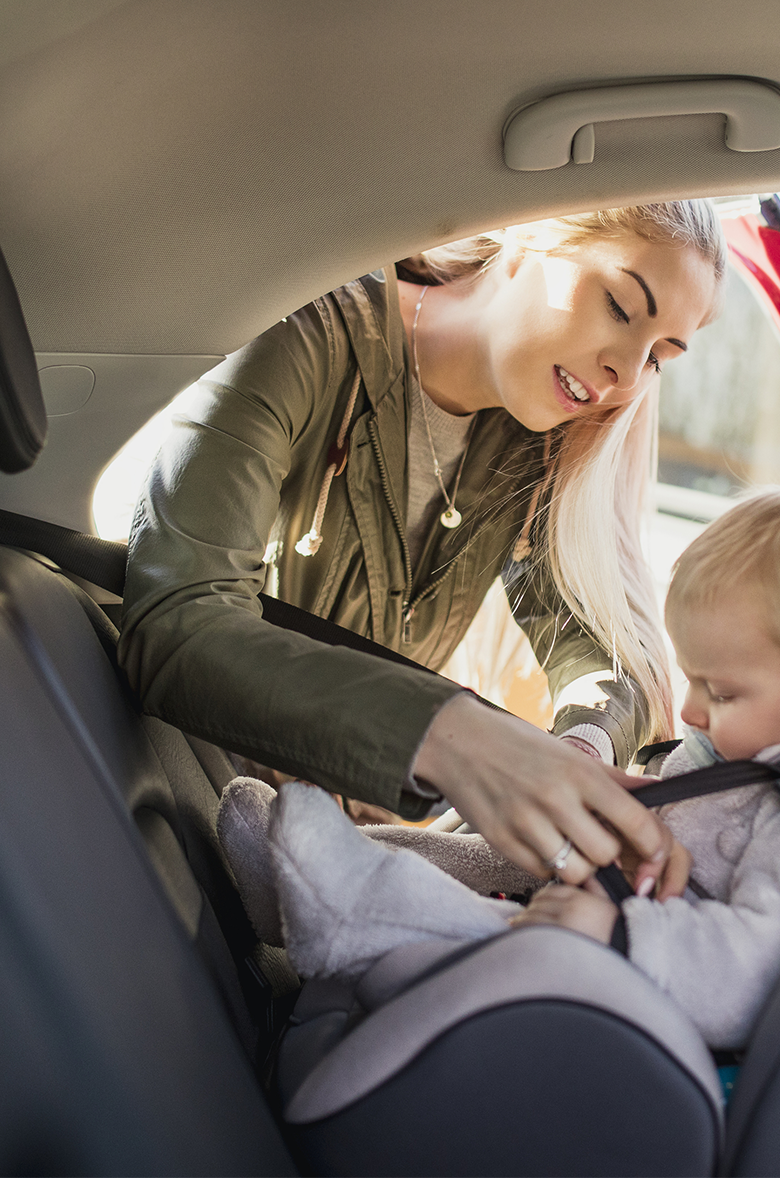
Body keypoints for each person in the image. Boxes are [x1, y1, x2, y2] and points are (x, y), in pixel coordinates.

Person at [120, 205, 725, 888]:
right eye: (619, 305)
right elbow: (177, 624)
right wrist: (450, 737)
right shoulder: (307, 337)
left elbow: (596, 647)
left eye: (659, 357)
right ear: (531, 233)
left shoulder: (538, 438)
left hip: (333, 847)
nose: (625, 370)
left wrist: (581, 748)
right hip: (193, 811)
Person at [219, 486, 780, 1048]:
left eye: (723, 693)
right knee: (496, 852)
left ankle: (338, 901)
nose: (692, 712)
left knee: (487, 925)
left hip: (615, 978)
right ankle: (302, 870)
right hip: (611, 887)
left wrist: (614, 934)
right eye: (692, 680)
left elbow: (750, 977)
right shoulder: (753, 748)